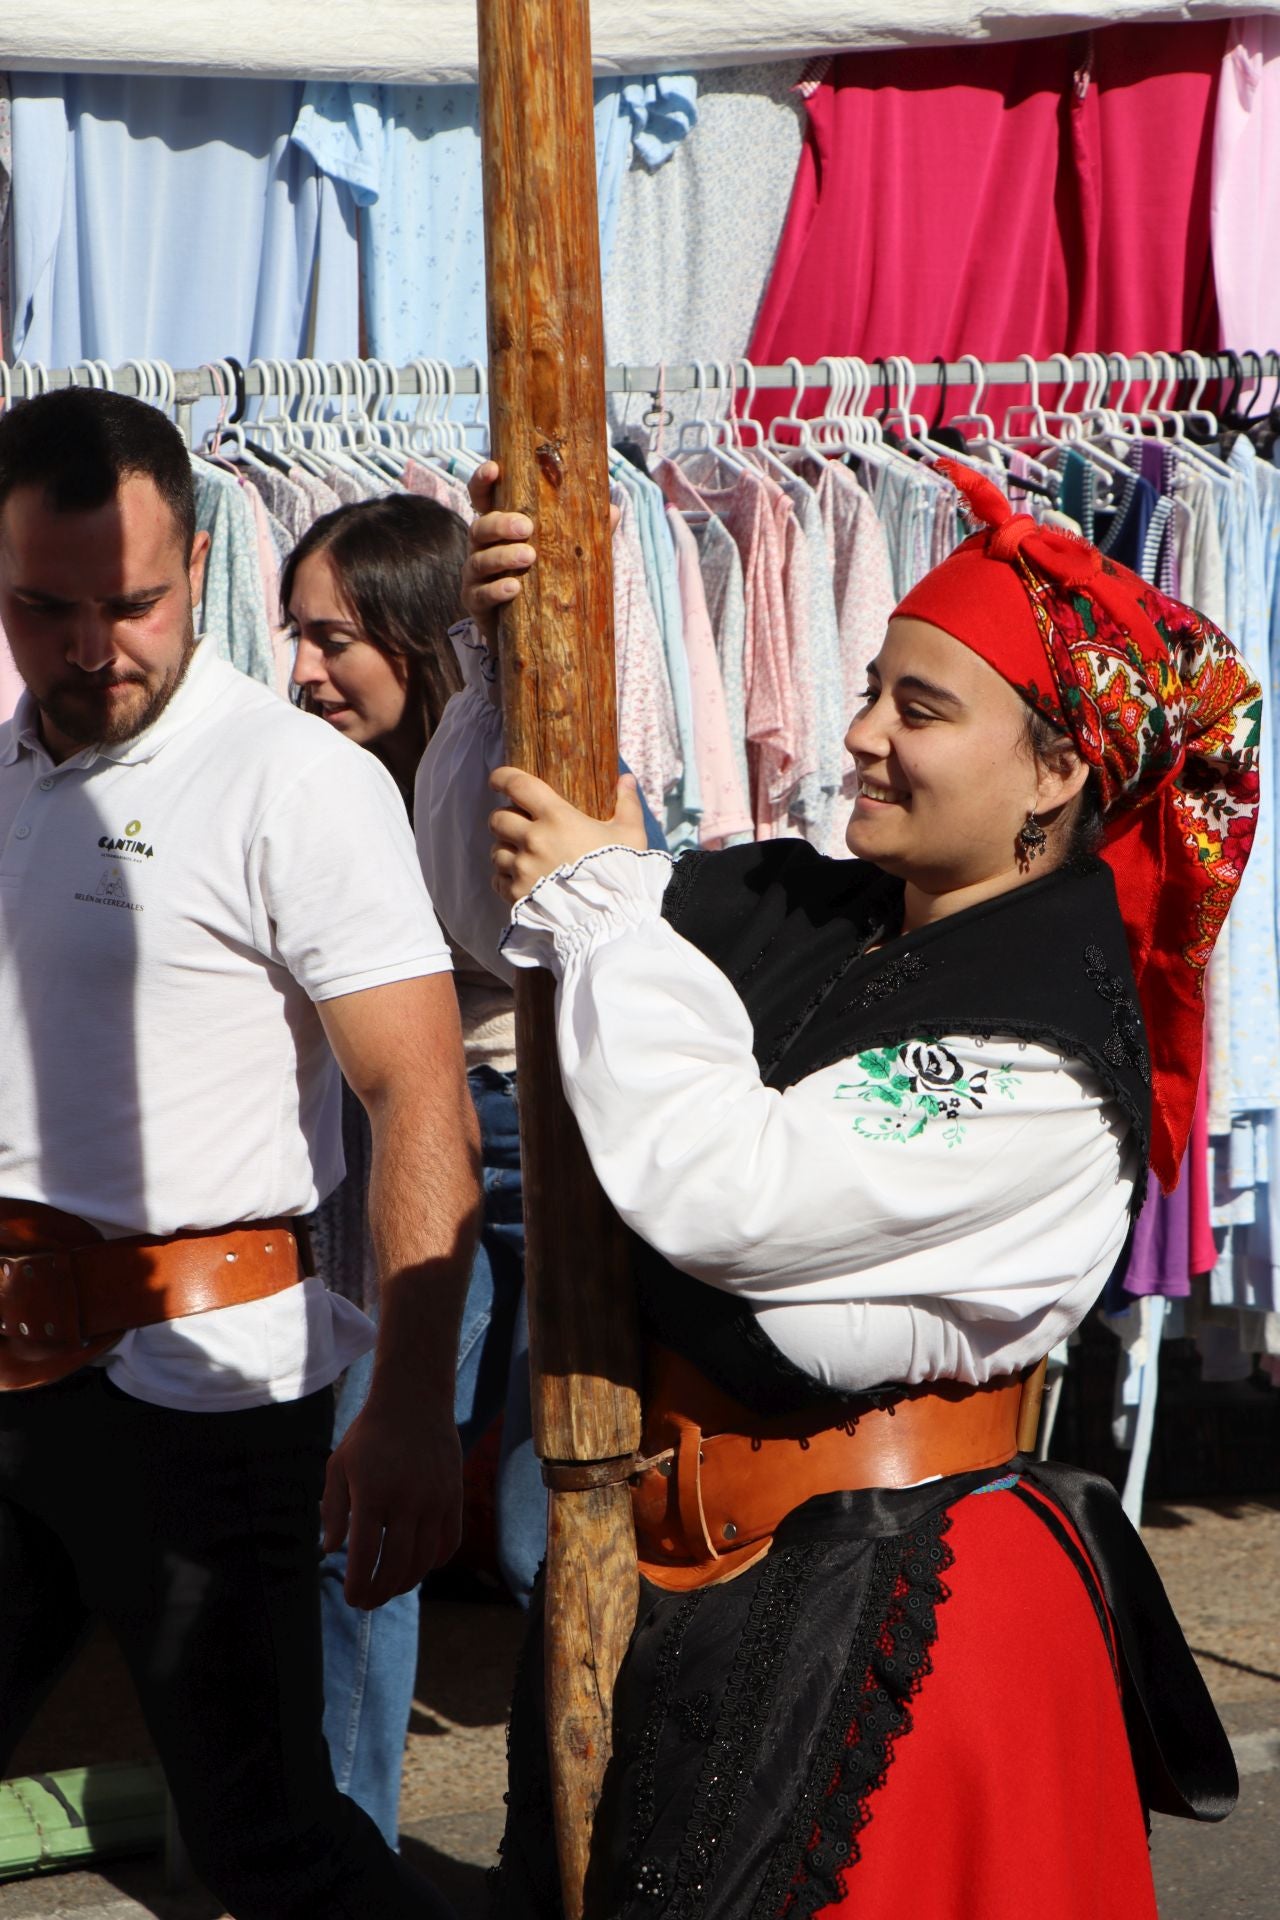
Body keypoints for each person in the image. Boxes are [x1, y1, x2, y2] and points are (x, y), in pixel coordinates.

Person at [417, 458, 1250, 1918]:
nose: (859, 737)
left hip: (898, 1625)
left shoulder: (1046, 1055)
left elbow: (735, 1191)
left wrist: (609, 909)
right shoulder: (816, 906)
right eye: (872, 689)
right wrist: (506, 672)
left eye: (919, 711)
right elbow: (509, 917)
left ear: (1058, 772)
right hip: (658, 1587)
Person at [0, 387, 480, 1920]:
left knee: (265, 1839)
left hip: (206, 1397)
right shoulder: (4, 771)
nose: (94, 647)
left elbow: (418, 1095)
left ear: (198, 569)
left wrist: (409, 1399)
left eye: (132, 604)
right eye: (45, 608)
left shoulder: (296, 779)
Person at [283, 491, 669, 1847]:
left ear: (414, 630)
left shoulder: (495, 737)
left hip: (548, 1132)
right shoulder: (313, 776)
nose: (302, 668)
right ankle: (348, 1855)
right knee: (368, 1510)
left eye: (334, 638)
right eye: (295, 635)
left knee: (543, 1527)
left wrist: (504, 655)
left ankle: (578, 1836)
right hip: (415, 1149)